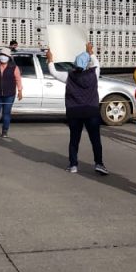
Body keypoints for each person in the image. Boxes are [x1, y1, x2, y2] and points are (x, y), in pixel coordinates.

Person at [47, 45, 109, 175]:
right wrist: (90, 52)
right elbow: (96, 63)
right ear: (87, 64)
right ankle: (99, 164)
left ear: (75, 63)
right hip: (91, 111)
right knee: (95, 139)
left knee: (74, 139)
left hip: (74, 111)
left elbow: (53, 72)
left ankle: (73, 165)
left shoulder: (69, 76)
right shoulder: (94, 74)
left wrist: (50, 59)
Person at [0, 47, 22, 137]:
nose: (3, 57)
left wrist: (20, 91)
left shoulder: (14, 67)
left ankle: (5, 130)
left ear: (9, 57)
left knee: (6, 113)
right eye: (2, 55)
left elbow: (18, 79)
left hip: (9, 94)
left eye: (5, 55)